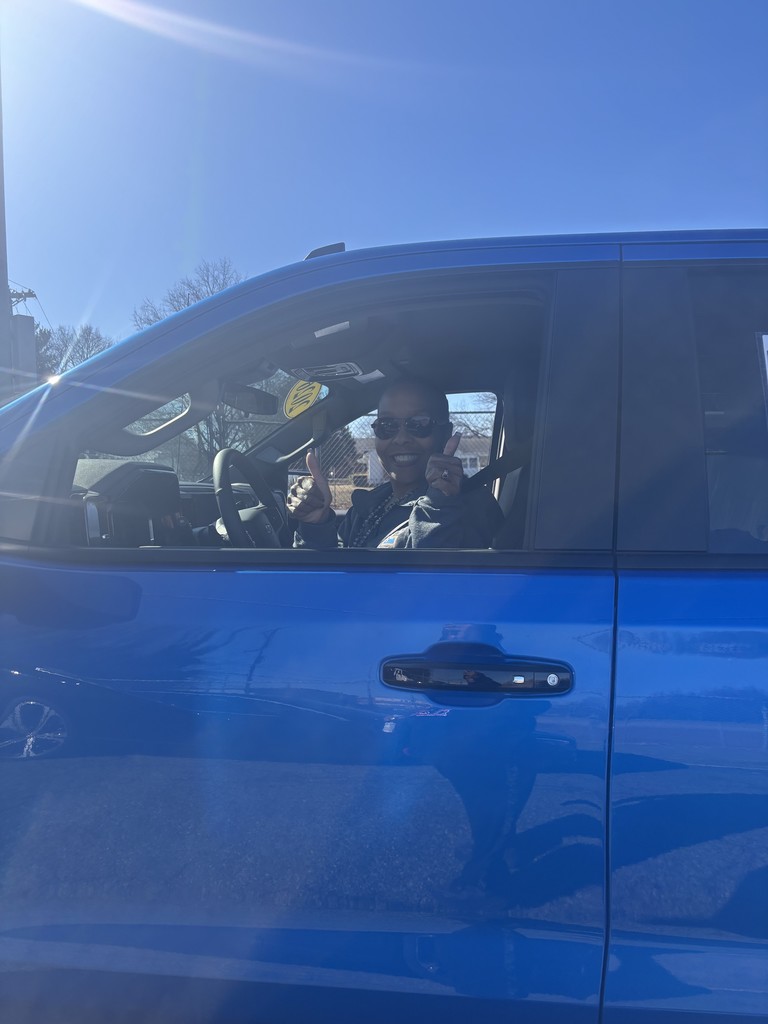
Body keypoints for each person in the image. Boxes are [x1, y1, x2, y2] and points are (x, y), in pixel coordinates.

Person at [288, 377, 501, 548]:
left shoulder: (472, 506)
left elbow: (429, 585)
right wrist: (315, 525)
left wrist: (438, 506)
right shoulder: (369, 506)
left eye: (418, 424)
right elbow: (332, 580)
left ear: (445, 433)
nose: (401, 438)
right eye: (387, 425)